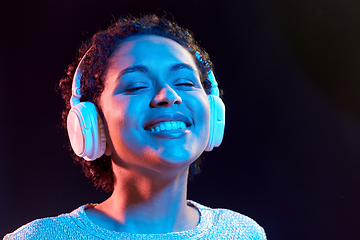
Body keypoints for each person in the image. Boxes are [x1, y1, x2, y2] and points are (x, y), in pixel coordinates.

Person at [3, 14, 266, 239]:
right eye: (136, 86)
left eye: (185, 83)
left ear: (213, 112)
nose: (168, 95)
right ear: (92, 124)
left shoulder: (243, 233)